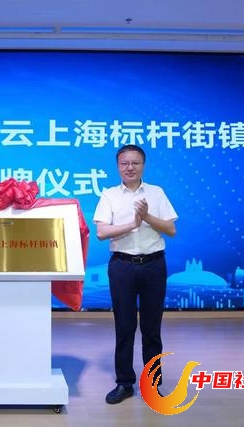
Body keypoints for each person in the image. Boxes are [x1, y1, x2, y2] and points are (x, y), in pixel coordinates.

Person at [93, 144, 178, 405]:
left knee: (152, 328)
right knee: (124, 326)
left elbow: (171, 230)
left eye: (135, 163)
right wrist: (133, 223)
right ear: (118, 166)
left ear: (143, 165)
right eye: (124, 163)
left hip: (154, 265)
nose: (130, 167)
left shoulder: (156, 193)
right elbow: (102, 232)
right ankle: (124, 383)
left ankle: (152, 384)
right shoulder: (109, 195)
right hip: (122, 266)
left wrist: (147, 216)